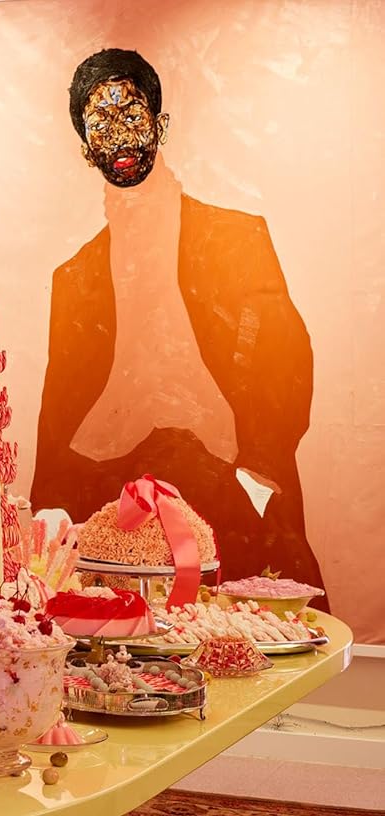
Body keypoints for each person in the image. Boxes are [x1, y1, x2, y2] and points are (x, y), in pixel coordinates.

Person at [30, 48, 324, 602]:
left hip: (228, 487)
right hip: (106, 495)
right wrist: (49, 520)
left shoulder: (238, 238)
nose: (118, 139)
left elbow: (288, 358)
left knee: (254, 650)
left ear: (159, 123)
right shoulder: (75, 277)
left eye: (131, 115)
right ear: (85, 149)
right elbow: (59, 407)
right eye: (100, 124)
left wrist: (257, 478)